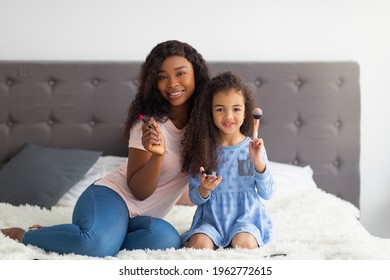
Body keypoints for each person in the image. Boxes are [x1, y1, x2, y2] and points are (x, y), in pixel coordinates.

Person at [0, 40, 211, 257]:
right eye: (162, 77)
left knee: (166, 239)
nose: (172, 83)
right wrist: (157, 156)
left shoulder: (206, 126)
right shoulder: (149, 124)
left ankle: (73, 236)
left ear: (196, 74)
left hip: (141, 219)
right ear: (153, 83)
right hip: (110, 197)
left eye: (180, 73)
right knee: (97, 246)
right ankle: (25, 235)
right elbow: (139, 191)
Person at [180, 71, 275, 250]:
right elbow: (195, 197)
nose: (229, 116)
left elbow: (267, 193)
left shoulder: (253, 149)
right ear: (210, 112)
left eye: (236, 109)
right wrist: (204, 189)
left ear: (246, 112)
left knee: (244, 243)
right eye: (220, 109)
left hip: (245, 219)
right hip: (211, 220)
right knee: (199, 245)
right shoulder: (203, 150)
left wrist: (258, 163)